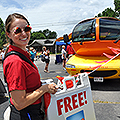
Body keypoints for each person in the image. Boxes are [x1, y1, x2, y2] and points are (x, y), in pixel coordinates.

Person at [3, 13, 58, 120]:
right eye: (17, 30)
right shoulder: (15, 61)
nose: (24, 34)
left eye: (27, 28)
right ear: (8, 34)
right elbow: (20, 103)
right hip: (26, 115)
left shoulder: (23, 54)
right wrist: (44, 88)